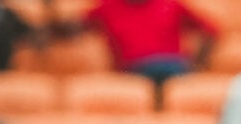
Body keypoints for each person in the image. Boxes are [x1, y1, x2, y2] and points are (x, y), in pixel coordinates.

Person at [80, 0, 218, 82]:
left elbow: (211, 30)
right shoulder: (109, 6)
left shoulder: (169, 4)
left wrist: (198, 63)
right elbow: (75, 27)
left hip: (173, 68)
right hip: (133, 70)